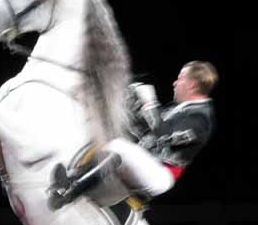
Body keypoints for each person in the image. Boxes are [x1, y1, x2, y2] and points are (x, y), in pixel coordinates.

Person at [47, 60, 218, 209]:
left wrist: (149, 103)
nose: (175, 83)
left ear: (192, 85)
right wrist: (132, 101)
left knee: (119, 147)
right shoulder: (178, 109)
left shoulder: (201, 119)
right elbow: (146, 131)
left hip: (160, 173)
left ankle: (68, 191)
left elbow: (164, 136)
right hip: (145, 161)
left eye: (180, 78)